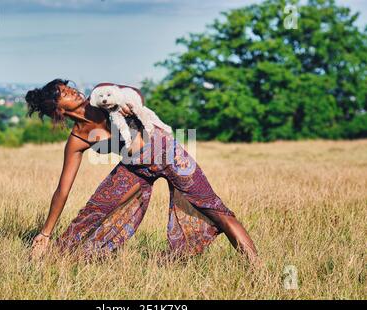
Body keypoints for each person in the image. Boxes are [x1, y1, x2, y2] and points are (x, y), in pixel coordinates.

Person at [25, 79, 258, 263]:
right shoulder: (77, 140)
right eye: (64, 93)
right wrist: (45, 233)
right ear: (57, 109)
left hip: (167, 153)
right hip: (135, 167)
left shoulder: (100, 97)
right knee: (95, 209)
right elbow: (62, 190)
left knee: (215, 209)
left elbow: (132, 91)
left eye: (69, 88)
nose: (73, 92)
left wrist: (129, 101)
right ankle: (57, 258)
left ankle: (257, 270)